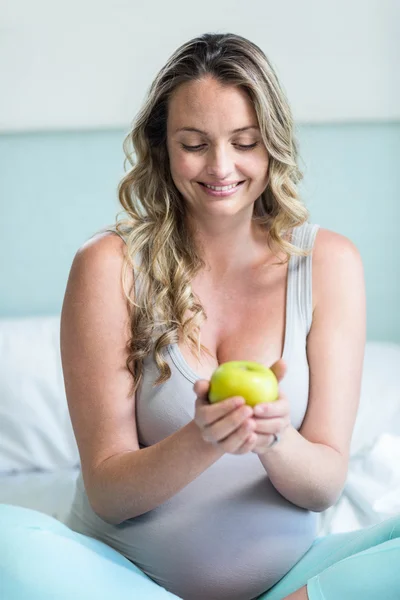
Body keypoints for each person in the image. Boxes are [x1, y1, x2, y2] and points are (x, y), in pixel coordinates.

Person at [57, 32, 400, 600]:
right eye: (194, 143)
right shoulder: (108, 266)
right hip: (124, 581)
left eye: (244, 142)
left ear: (274, 144)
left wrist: (271, 439)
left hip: (293, 587)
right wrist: (204, 438)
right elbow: (108, 492)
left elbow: (324, 486)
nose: (221, 167)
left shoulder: (329, 264)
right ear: (162, 147)